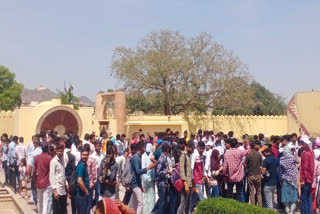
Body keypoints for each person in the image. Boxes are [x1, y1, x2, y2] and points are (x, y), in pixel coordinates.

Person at [130, 141, 156, 214]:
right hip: (134, 184)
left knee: (135, 203)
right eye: (144, 147)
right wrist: (148, 168)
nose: (145, 149)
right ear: (142, 148)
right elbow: (138, 171)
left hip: (137, 184)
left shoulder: (138, 157)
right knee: (141, 203)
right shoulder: (136, 158)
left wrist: (140, 185)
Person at [33, 141, 52, 214]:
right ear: (47, 148)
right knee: (45, 202)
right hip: (46, 183)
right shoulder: (49, 158)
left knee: (39, 201)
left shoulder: (37, 157)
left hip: (38, 182)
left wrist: (35, 181)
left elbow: (34, 171)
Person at [279, 145, 299, 214]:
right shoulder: (292, 157)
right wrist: (295, 152)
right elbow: (298, 161)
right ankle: (291, 211)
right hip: (293, 180)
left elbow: (281, 172)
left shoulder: (281, 159)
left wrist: (281, 180)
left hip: (285, 179)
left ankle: (287, 211)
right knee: (294, 196)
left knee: (286, 197)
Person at [153, 143, 171, 214]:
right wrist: (167, 172)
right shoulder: (161, 158)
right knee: (162, 202)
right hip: (161, 183)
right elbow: (158, 172)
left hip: (165, 183)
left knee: (166, 201)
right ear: (167, 149)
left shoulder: (165, 157)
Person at [50, 143, 67, 214]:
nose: (60, 153)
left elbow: (63, 174)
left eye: (61, 151)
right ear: (56, 151)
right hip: (57, 190)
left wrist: (67, 184)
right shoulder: (53, 161)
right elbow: (52, 176)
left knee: (63, 210)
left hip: (63, 190)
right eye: (58, 151)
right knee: (57, 211)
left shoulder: (63, 160)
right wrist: (55, 191)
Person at [244, 141, 262, 206]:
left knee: (251, 192)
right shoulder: (259, 154)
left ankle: (253, 206)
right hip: (258, 175)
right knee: (259, 192)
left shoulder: (248, 155)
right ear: (254, 145)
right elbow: (261, 164)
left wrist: (249, 167)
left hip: (251, 175)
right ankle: (260, 206)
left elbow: (245, 165)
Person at [177, 139, 192, 214]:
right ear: (188, 147)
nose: (192, 149)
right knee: (183, 203)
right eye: (191, 147)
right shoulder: (183, 156)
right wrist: (185, 185)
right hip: (184, 184)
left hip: (189, 183)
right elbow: (182, 171)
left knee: (187, 203)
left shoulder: (188, 156)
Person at [300, 136, 314, 214]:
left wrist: (302, 179)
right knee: (308, 197)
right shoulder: (311, 152)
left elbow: (304, 168)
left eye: (302, 143)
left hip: (305, 179)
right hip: (310, 178)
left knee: (304, 198)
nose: (301, 144)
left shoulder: (306, 154)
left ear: (305, 144)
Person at [190, 141, 206, 212]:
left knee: (194, 196)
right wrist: (192, 180)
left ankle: (190, 210)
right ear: (197, 147)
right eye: (200, 148)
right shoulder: (194, 155)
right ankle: (206, 209)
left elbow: (202, 166)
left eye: (203, 148)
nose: (202, 150)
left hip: (200, 178)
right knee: (201, 196)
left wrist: (204, 176)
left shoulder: (202, 155)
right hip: (195, 180)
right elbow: (191, 168)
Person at [27, 136, 42, 205]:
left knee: (34, 187)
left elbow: (30, 165)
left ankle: (37, 201)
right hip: (43, 172)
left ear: (35, 144)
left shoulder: (33, 153)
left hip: (35, 173)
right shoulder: (43, 151)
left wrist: (28, 175)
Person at [141, 143, 155, 214]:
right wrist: (143, 176)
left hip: (151, 176)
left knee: (152, 193)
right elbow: (142, 166)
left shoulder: (152, 155)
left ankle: (151, 209)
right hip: (144, 177)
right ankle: (145, 210)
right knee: (146, 193)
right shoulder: (143, 155)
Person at [76, 149, 90, 214]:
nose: (85, 156)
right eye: (83, 155)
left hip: (82, 194)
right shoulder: (81, 166)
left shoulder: (84, 164)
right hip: (81, 195)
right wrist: (86, 191)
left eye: (86, 155)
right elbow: (79, 181)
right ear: (81, 155)